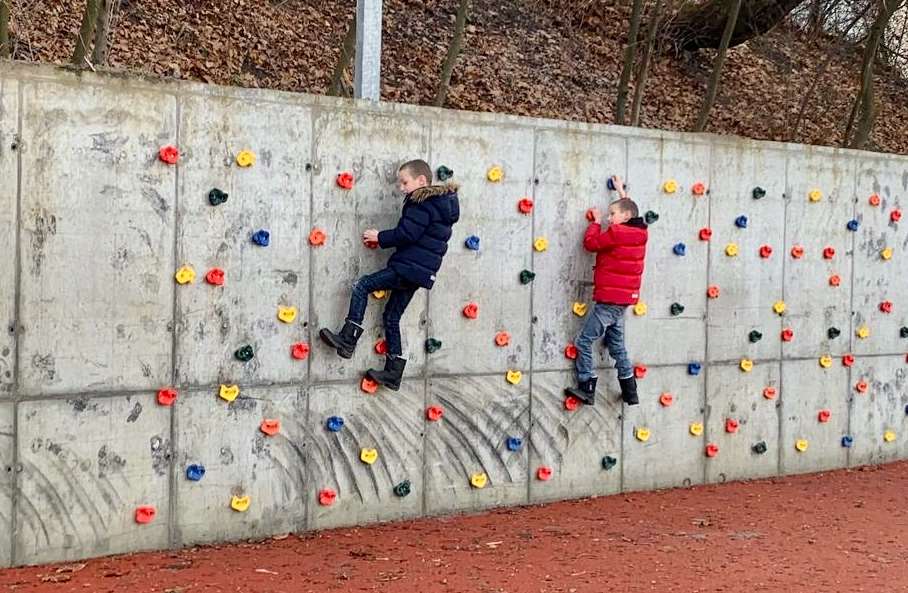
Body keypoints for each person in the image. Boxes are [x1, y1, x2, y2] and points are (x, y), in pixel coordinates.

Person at [319, 159, 460, 391]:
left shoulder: (422, 201)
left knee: (362, 285)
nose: (401, 188)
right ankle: (393, 373)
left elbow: (407, 234)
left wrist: (379, 237)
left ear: (422, 181)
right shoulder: (442, 206)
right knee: (392, 316)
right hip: (420, 272)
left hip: (407, 267)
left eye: (405, 182)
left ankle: (348, 338)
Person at [565, 175, 648, 406]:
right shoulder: (640, 234)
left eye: (613, 215)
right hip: (623, 301)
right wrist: (621, 192)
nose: (610, 218)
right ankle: (630, 390)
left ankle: (587, 386)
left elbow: (591, 244)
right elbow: (633, 211)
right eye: (609, 215)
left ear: (625, 217)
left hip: (608, 301)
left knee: (583, 341)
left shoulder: (616, 233)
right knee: (617, 346)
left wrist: (596, 223)